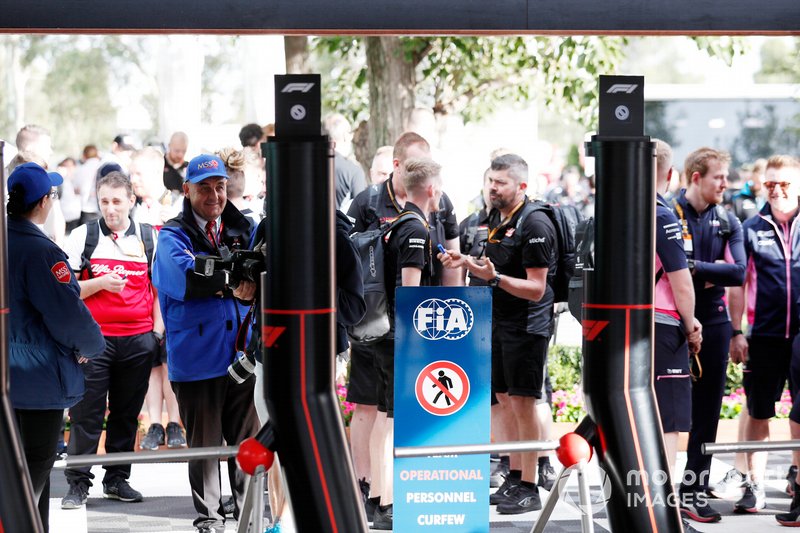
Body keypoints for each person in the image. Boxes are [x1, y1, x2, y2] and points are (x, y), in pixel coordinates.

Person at [441, 153, 556, 514]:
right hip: (497, 320)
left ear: (522, 185)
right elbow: (493, 267)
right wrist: (467, 264)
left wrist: (494, 278)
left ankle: (530, 485)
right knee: (504, 401)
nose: (493, 187)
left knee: (523, 404)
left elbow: (537, 288)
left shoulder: (535, 223)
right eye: (491, 180)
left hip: (527, 323)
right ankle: (515, 475)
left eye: (501, 182)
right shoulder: (491, 218)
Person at [153, 154, 260, 533]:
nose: (214, 195)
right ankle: (209, 520)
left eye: (220, 187)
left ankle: (250, 514)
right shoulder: (171, 235)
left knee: (246, 441)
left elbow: (257, 273)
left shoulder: (240, 228)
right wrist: (231, 279)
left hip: (239, 358)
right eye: (204, 188)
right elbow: (185, 278)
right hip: (197, 361)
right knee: (206, 448)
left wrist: (244, 288)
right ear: (186, 190)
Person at [7, 162, 105, 531]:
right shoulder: (42, 253)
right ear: (44, 202)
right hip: (37, 384)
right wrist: (91, 345)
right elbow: (69, 317)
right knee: (33, 470)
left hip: (10, 380)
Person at [60, 171, 161, 509]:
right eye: (104, 201)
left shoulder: (148, 238)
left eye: (117, 201)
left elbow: (158, 291)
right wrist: (100, 282)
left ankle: (117, 479)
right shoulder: (83, 236)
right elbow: (68, 290)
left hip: (138, 341)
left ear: (131, 201)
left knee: (126, 415)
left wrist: (157, 334)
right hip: (95, 342)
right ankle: (77, 484)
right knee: (86, 415)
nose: (110, 209)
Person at [670, 148, 746, 523]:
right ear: (696, 177)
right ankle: (657, 486)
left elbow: (738, 273)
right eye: (719, 177)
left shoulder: (728, 220)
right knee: (665, 407)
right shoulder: (668, 212)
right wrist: (711, 269)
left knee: (708, 411)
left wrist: (692, 267)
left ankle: (694, 487)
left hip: (713, 321)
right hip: (670, 320)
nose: (725, 184)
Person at [372, 156, 444, 529]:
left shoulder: (399, 223)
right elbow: (411, 293)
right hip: (400, 336)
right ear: (431, 189)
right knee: (396, 420)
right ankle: (390, 502)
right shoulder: (415, 229)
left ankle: (383, 498)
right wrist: (415, 343)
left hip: (385, 334)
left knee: (387, 416)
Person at [728, 155, 800, 516]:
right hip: (764, 337)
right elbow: (738, 285)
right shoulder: (751, 227)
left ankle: (798, 480)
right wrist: (736, 332)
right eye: (770, 184)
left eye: (784, 183)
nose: (776, 190)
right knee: (759, 413)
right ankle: (753, 485)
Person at [647, 141, 704, 532]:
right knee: (668, 426)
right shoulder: (662, 214)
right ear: (670, 175)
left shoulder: (620, 208)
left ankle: (645, 511)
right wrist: (692, 323)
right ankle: (665, 518)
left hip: (628, 328)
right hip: (664, 324)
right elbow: (681, 282)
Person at [323, 112, 367, 210]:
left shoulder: (305, 164)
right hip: (337, 224)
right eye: (350, 132)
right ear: (345, 136)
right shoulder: (353, 171)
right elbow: (360, 212)